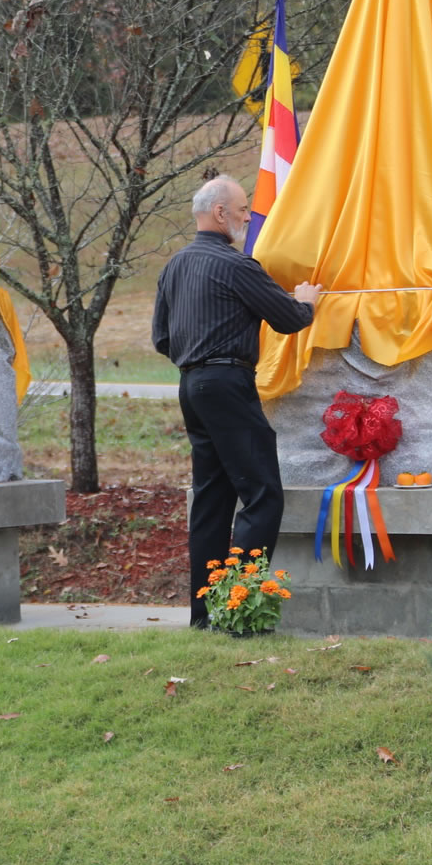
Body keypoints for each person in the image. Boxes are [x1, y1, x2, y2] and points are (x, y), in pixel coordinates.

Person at [151, 175, 320, 626]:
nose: (248, 217)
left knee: (211, 500)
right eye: (244, 209)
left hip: (191, 386)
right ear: (220, 212)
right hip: (228, 384)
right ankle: (240, 610)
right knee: (262, 495)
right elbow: (288, 319)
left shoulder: (174, 266)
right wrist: (307, 302)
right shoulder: (237, 265)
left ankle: (205, 616)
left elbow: (162, 338)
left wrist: (198, 357)